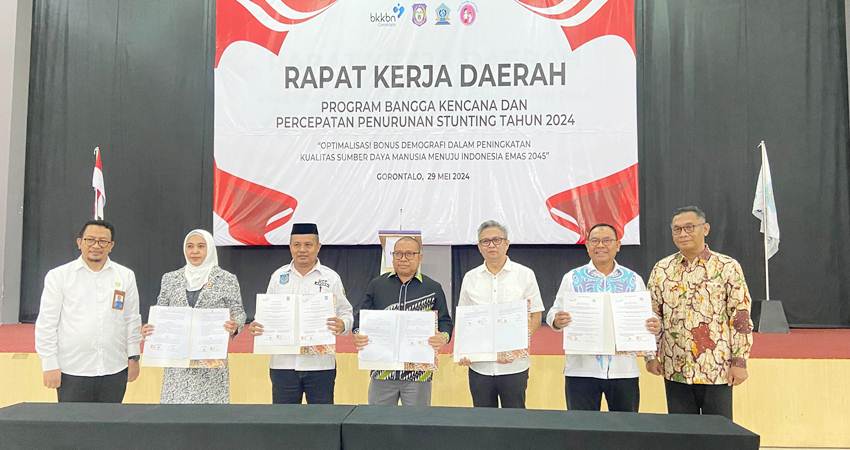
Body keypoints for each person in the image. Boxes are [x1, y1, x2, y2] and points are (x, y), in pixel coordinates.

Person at [646, 206, 754, 420]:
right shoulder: (662, 269)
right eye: (677, 229)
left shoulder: (727, 266)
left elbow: (740, 316)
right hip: (675, 366)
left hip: (716, 367)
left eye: (689, 227)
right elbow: (652, 315)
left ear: (705, 229)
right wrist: (651, 355)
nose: (683, 234)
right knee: (682, 433)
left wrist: (739, 361)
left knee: (719, 435)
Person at [547, 223, 660, 412]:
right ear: (587, 246)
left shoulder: (633, 279)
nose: (601, 245)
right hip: (581, 370)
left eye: (607, 240)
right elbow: (553, 312)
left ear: (618, 245)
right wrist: (557, 321)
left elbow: (646, 317)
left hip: (623, 370)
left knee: (626, 429)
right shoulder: (572, 278)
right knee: (582, 430)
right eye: (595, 241)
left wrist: (651, 350)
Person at [35, 220, 142, 402]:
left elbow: (132, 319)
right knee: (73, 428)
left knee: (110, 427)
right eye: (90, 240)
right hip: (73, 370)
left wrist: (134, 357)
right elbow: (47, 323)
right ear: (79, 242)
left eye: (103, 241)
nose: (96, 246)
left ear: (111, 246)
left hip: (114, 368)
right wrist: (49, 364)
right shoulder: (59, 276)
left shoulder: (125, 276)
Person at [249, 223, 353, 404]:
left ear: (318, 247)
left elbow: (346, 312)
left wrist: (343, 324)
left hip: (320, 365)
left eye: (308, 244)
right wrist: (257, 325)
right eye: (297, 245)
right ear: (290, 247)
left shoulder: (331, 278)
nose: (302, 250)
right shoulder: (278, 277)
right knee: (285, 423)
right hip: (283, 365)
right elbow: (266, 315)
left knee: (322, 421)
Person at [141, 229, 246, 403]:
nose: (194, 251)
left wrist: (235, 325)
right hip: (177, 365)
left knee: (209, 418)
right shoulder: (170, 278)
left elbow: (238, 311)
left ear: (210, 249)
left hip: (211, 363)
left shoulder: (226, 278)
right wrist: (151, 328)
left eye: (200, 246)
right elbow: (161, 311)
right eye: (190, 246)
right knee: (177, 417)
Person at [353, 236, 453, 406]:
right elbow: (360, 319)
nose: (403, 258)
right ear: (392, 256)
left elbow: (445, 321)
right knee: (378, 422)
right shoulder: (377, 285)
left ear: (419, 257)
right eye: (398, 254)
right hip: (383, 370)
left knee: (416, 424)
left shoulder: (433, 288)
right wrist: (357, 334)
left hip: (418, 373)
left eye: (409, 254)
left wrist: (443, 337)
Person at [456, 220, 544, 408]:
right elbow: (464, 318)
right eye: (485, 241)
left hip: (514, 365)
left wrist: (519, 341)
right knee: (483, 420)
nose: (491, 245)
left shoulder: (525, 274)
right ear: (479, 247)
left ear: (507, 243)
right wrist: (464, 350)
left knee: (514, 419)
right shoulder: (470, 278)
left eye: (497, 240)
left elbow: (536, 315)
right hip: (480, 365)